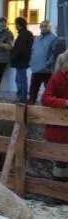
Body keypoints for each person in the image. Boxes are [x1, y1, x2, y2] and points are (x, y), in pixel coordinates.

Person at [40, 50, 68, 180]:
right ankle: (57, 192)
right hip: (60, 129)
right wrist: (65, 103)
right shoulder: (58, 77)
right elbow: (45, 98)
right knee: (61, 162)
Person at [28, 20, 59, 104]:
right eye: (41, 26)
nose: (43, 28)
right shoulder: (37, 38)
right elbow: (33, 51)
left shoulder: (54, 38)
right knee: (32, 92)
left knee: (49, 92)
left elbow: (54, 53)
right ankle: (30, 109)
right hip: (35, 69)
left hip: (46, 71)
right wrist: (31, 62)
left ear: (50, 27)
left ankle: (49, 109)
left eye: (45, 26)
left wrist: (48, 64)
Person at [9, 17, 34, 103]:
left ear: (18, 25)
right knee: (19, 79)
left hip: (21, 61)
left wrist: (13, 55)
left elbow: (21, 49)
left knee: (21, 80)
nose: (16, 26)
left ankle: (22, 98)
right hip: (22, 61)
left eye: (16, 24)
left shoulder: (24, 34)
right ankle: (20, 97)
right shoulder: (26, 34)